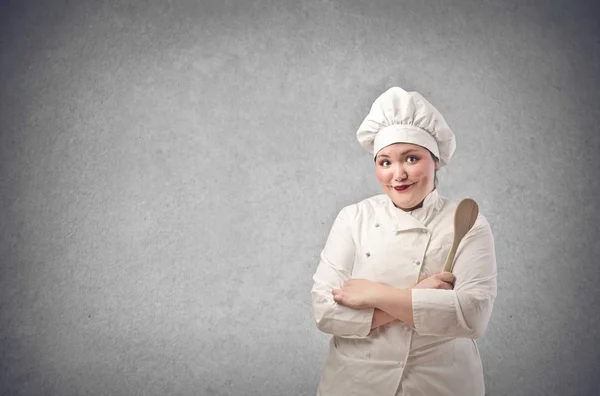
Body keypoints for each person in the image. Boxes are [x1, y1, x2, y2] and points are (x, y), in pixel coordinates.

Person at [310, 87, 497, 396]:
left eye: (411, 158)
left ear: (435, 161)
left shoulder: (466, 221)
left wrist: (373, 294)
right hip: (355, 381)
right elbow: (324, 311)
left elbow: (472, 316)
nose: (398, 174)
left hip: (439, 384)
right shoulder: (353, 217)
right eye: (384, 162)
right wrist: (415, 295)